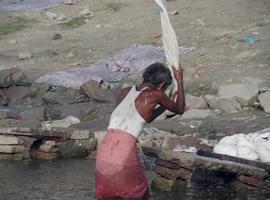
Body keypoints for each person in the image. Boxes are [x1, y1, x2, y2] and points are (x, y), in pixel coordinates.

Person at [95, 63, 185, 199]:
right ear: (161, 86)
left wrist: (163, 107)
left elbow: (142, 118)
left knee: (108, 195)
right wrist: (180, 80)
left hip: (104, 150)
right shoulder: (156, 94)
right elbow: (180, 109)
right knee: (138, 194)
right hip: (123, 153)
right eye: (165, 89)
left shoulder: (125, 92)